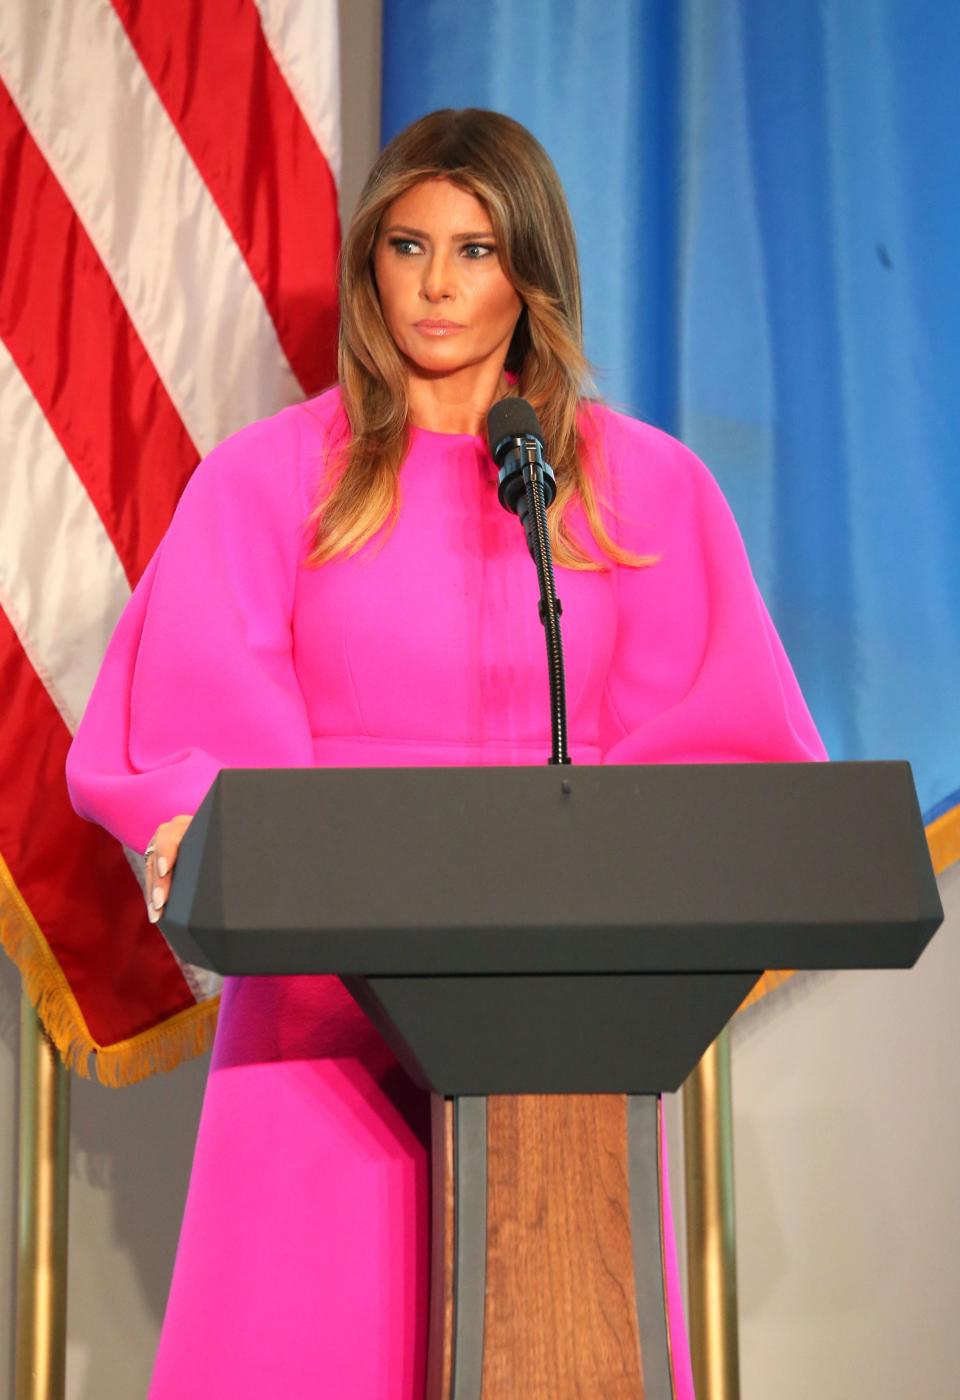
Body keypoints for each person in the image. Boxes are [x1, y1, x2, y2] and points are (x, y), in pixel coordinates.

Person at [67, 108, 826, 1398]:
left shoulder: (634, 485)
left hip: (561, 1016)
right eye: (408, 245)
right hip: (324, 997)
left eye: (477, 250)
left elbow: (728, 738)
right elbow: (194, 710)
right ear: (369, 261)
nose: (437, 283)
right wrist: (234, 835)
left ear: (531, 271)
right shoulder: (270, 480)